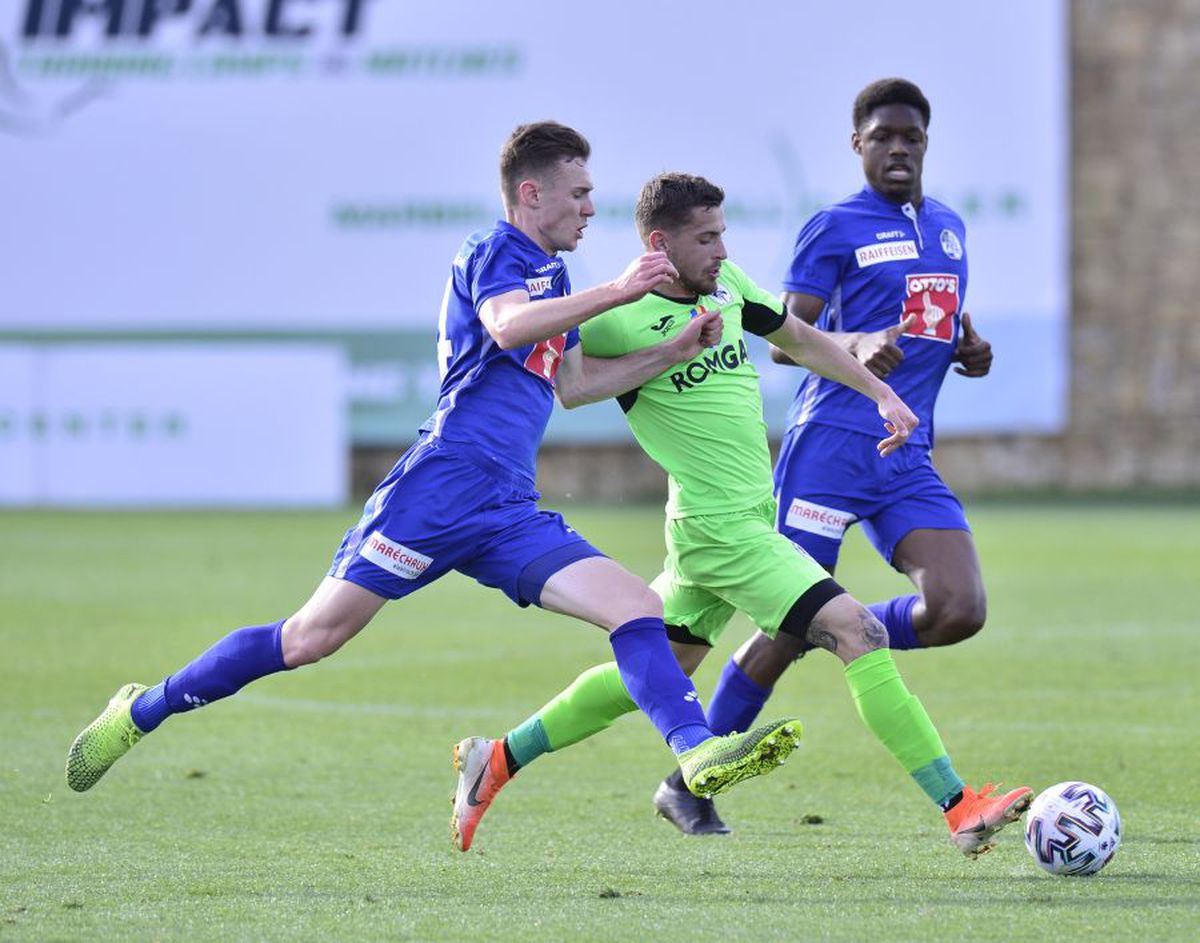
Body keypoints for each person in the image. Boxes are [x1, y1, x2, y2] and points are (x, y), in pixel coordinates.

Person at [65, 123, 804, 825]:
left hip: (506, 507)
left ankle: (695, 752)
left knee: (636, 607)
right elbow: (507, 326)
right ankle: (142, 709)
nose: (590, 207)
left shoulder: (555, 273)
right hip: (439, 487)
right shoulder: (495, 249)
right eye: (578, 193)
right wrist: (621, 290)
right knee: (310, 638)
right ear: (531, 194)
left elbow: (576, 385)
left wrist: (669, 353)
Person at [449, 171, 1030, 858]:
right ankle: (960, 807)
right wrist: (662, 352)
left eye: (722, 234)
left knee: (654, 673)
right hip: (722, 531)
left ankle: (499, 757)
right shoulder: (615, 316)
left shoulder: (727, 285)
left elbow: (801, 339)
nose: (722, 250)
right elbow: (568, 385)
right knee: (859, 630)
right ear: (660, 244)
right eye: (706, 238)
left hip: (725, 524)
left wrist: (879, 391)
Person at [654, 78, 1003, 836]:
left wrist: (967, 350)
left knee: (959, 609)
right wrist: (858, 344)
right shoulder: (835, 226)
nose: (898, 148)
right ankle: (688, 782)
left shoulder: (948, 228)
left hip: (906, 454)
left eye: (911, 136)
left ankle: (834, 624)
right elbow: (786, 340)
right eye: (883, 137)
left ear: (926, 143)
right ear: (857, 144)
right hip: (830, 449)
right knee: (785, 625)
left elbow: (934, 329)